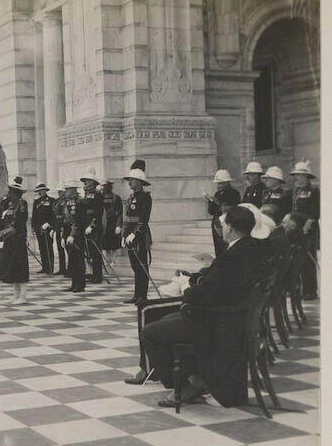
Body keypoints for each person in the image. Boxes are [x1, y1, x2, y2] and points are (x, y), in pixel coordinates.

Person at [141, 205, 262, 408]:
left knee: (150, 332)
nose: (221, 229)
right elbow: (222, 284)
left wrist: (185, 285)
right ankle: (196, 377)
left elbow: (200, 296)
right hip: (235, 317)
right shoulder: (251, 247)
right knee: (166, 320)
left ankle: (183, 386)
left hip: (218, 322)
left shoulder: (232, 256)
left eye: (223, 225)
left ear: (230, 228)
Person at [122, 160, 153, 305]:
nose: (129, 183)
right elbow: (129, 218)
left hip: (140, 235)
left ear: (140, 182)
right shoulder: (133, 197)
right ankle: (136, 294)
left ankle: (143, 296)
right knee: (135, 267)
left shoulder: (145, 197)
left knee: (142, 266)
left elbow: (143, 219)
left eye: (132, 180)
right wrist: (125, 234)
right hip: (130, 235)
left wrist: (134, 233)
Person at [0, 176, 29, 304]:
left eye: (11, 191)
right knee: (12, 267)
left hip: (18, 239)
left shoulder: (21, 204)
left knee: (21, 267)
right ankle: (16, 294)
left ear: (16, 193)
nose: (8, 193)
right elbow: (5, 221)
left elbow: (18, 224)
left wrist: (1, 233)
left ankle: (23, 296)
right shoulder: (9, 204)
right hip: (10, 240)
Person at [290, 160, 319, 300]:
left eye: (301, 174)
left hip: (308, 230)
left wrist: (305, 229)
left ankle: (311, 291)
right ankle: (302, 290)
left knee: (308, 260)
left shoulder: (314, 191)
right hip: (296, 230)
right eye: (296, 174)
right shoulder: (296, 191)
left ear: (307, 177)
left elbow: (314, 214)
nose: (298, 177)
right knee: (298, 260)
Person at [205, 169, 241, 257]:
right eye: (218, 183)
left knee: (227, 248)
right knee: (218, 248)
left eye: (221, 183)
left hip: (227, 223)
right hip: (216, 223)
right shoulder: (217, 193)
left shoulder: (234, 193)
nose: (219, 185)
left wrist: (221, 206)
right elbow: (211, 211)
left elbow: (235, 208)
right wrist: (210, 202)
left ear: (227, 182)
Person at [62, 180, 86, 292]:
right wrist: (64, 236)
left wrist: (72, 235)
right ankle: (74, 283)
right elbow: (65, 221)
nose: (65, 192)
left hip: (78, 235)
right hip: (69, 235)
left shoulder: (80, 202)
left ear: (73, 190)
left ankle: (80, 285)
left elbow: (79, 221)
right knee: (72, 259)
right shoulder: (67, 202)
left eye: (67, 189)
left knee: (78, 260)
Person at [80, 172, 104, 283]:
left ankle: (98, 276)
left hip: (94, 226)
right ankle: (92, 273)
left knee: (96, 253)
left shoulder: (97, 194)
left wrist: (91, 225)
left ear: (93, 183)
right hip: (85, 225)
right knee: (89, 252)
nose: (85, 182)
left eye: (88, 180)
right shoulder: (86, 194)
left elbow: (98, 212)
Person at [31, 182, 55, 274]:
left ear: (45, 190)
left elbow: (53, 215)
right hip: (38, 228)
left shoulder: (51, 200)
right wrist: (33, 227)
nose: (39, 192)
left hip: (47, 227)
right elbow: (34, 215)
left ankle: (50, 267)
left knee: (48, 247)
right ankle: (44, 267)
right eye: (38, 191)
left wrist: (51, 225)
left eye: (41, 190)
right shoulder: (36, 201)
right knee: (41, 248)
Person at [100, 180, 123, 267]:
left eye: (107, 187)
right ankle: (107, 260)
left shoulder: (116, 198)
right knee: (105, 244)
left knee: (114, 244)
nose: (105, 189)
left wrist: (118, 225)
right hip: (104, 223)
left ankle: (113, 260)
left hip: (113, 222)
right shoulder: (101, 198)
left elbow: (120, 213)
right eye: (104, 187)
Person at [52, 182, 67, 276]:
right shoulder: (56, 201)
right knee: (59, 248)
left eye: (61, 191)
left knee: (67, 248)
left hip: (64, 225)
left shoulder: (66, 201)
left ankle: (70, 268)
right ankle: (62, 267)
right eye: (59, 191)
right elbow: (54, 215)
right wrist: (53, 228)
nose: (59, 192)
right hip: (57, 225)